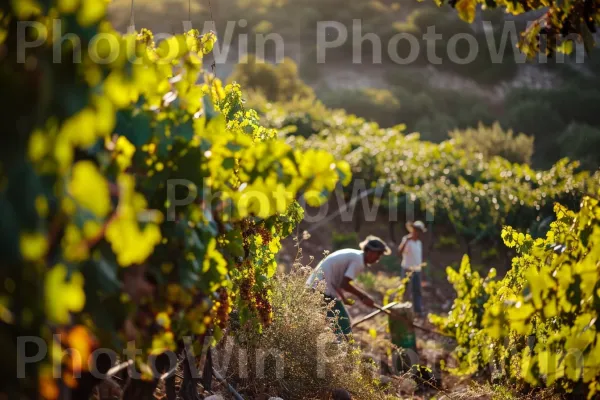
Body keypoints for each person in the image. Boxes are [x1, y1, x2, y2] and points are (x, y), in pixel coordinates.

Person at [306, 235, 391, 339]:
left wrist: (343, 298)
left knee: (334, 322)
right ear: (371, 252)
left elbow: (337, 280)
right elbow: (344, 284)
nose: (378, 259)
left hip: (316, 286)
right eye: (378, 255)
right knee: (343, 324)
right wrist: (364, 296)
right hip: (321, 289)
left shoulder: (355, 255)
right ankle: (344, 350)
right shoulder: (358, 260)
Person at [397, 221, 427, 317]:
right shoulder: (407, 240)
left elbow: (419, 258)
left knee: (417, 291)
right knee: (405, 290)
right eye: (416, 231)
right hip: (407, 269)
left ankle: (417, 311)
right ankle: (403, 309)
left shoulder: (419, 243)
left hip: (417, 270)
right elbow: (400, 251)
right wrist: (406, 240)